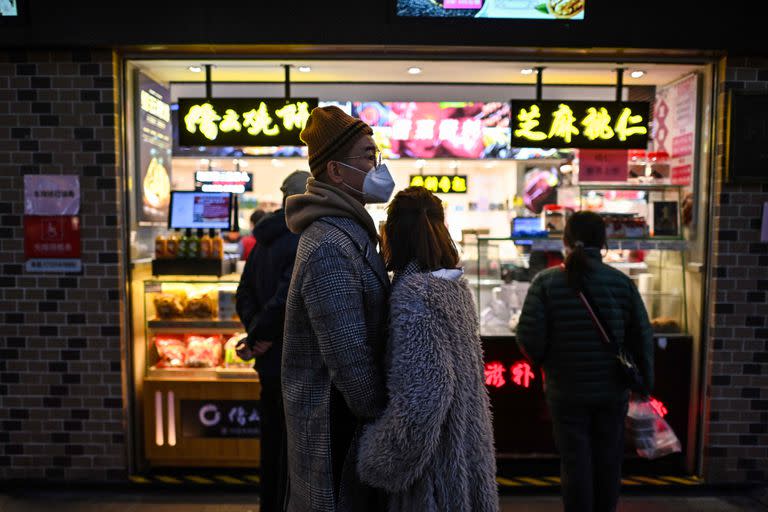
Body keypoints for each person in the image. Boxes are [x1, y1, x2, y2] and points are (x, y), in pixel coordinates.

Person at [356, 187, 498, 512]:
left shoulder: (415, 294)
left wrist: (380, 459)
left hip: (435, 475)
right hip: (467, 450)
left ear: (390, 235)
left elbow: (424, 397)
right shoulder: (451, 285)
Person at [282, 106, 394, 512]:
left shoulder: (349, 231)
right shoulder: (330, 245)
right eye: (368, 156)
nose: (377, 167)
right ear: (335, 171)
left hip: (349, 429)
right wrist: (388, 419)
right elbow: (350, 360)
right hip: (336, 432)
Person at [516, 211, 654, 512]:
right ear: (603, 242)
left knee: (575, 462)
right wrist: (645, 382)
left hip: (565, 390)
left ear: (565, 240)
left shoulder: (545, 282)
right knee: (608, 461)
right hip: (612, 391)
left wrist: (547, 363)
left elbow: (528, 335)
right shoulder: (622, 283)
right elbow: (642, 336)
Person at [235, 171, 309, 512]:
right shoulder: (300, 239)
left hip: (266, 361)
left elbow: (243, 294)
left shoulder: (263, 240)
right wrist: (262, 336)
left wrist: (255, 336)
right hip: (290, 360)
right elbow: (285, 302)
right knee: (291, 449)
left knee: (271, 443)